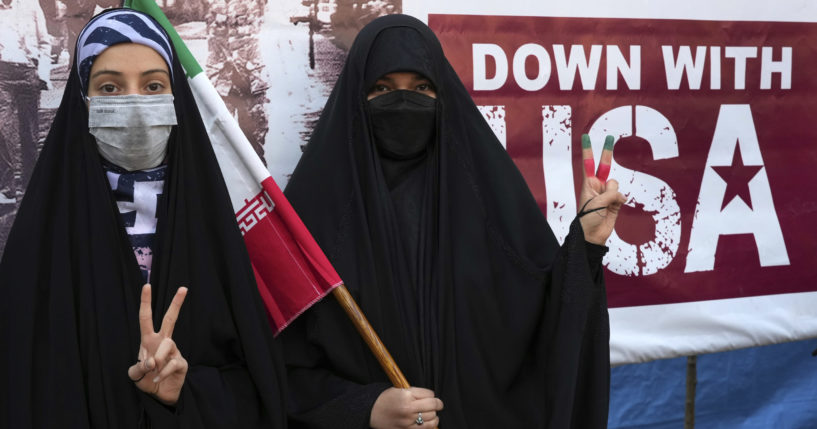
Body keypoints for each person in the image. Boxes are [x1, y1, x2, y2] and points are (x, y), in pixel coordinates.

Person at [281, 14, 625, 428]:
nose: (403, 103)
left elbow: (546, 324)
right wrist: (364, 408)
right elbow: (277, 365)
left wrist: (585, 246)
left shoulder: (489, 204)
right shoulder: (310, 218)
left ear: (443, 94)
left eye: (422, 87)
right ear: (356, 96)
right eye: (382, 89)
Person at [0, 9, 287, 428]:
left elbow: (257, 384)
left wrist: (179, 397)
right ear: (82, 99)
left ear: (177, 98)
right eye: (109, 87)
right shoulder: (42, 237)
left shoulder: (210, 225)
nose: (134, 102)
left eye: (154, 85)